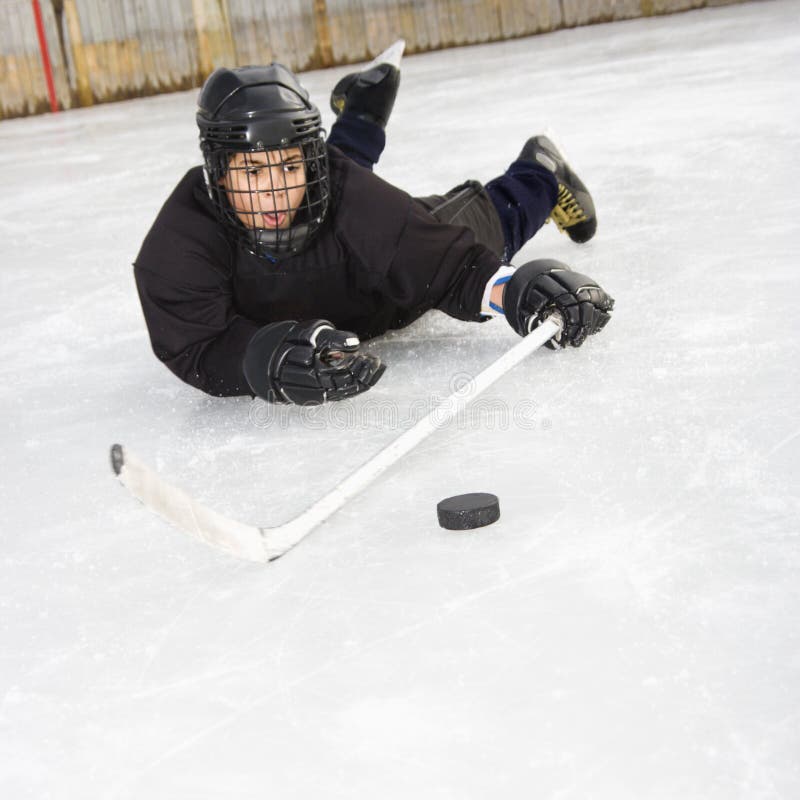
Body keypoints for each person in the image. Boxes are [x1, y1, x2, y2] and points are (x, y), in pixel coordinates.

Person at [133, 59, 613, 405]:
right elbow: (198, 343)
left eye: (289, 166)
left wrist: (515, 291)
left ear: (312, 161)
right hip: (333, 275)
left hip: (378, 291)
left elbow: (451, 265)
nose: (275, 192)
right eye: (252, 173)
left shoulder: (347, 194)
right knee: (329, 194)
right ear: (218, 172)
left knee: (481, 223)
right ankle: (362, 115)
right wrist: (263, 359)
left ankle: (542, 173)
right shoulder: (180, 242)